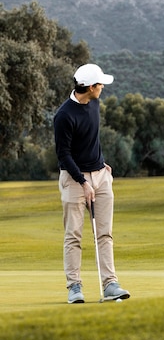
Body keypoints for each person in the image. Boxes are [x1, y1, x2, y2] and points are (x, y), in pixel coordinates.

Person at [54, 63, 130, 304]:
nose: (102, 88)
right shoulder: (64, 115)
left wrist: (101, 164)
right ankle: (74, 287)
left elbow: (91, 139)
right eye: (99, 84)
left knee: (104, 234)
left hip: (100, 176)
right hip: (74, 178)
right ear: (88, 87)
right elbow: (64, 154)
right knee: (74, 235)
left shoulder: (94, 103)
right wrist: (83, 181)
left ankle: (110, 285)